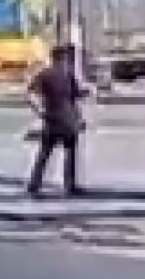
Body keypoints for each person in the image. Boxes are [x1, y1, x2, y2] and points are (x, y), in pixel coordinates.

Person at [26, 44, 88, 197]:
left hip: (54, 118)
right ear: (61, 58)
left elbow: (30, 94)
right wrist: (80, 116)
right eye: (66, 58)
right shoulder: (65, 74)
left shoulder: (47, 74)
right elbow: (76, 97)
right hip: (65, 119)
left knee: (46, 153)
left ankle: (35, 184)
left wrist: (39, 110)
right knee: (67, 153)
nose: (67, 61)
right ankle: (69, 185)